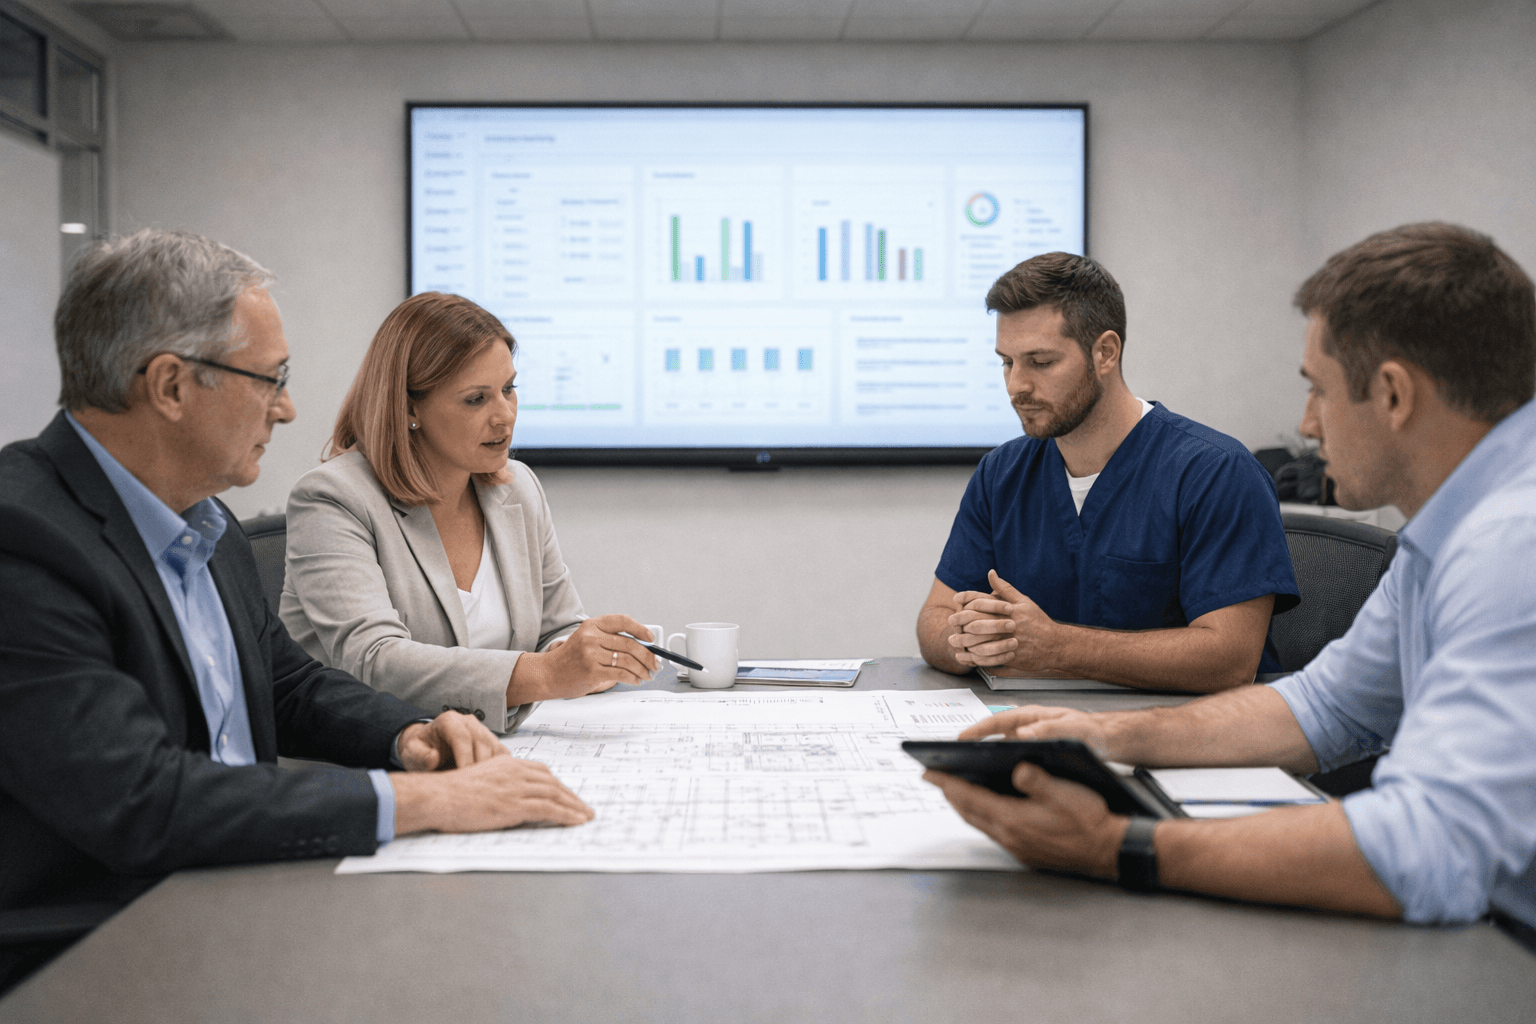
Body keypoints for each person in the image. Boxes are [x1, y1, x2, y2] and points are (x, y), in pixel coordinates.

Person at [0, 230, 595, 988]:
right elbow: (141, 799)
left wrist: (408, 735)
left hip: (240, 885)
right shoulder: (24, 541)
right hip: (99, 946)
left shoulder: (203, 521)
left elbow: (289, 686)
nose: (286, 409)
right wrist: (419, 799)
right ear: (171, 387)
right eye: (268, 379)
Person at [926, 223, 1536, 942]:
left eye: (1318, 390)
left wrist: (1113, 845)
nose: (1307, 425)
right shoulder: (1444, 538)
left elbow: (1431, 848)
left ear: (1394, 395)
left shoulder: (1511, 548)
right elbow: (1323, 708)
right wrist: (1100, 736)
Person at [917, 252, 1299, 692]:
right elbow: (934, 618)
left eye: (1040, 362)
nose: (1016, 385)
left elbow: (1230, 659)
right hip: (1043, 723)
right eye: (1007, 362)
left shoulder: (1216, 473)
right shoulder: (1001, 474)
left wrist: (1057, 647)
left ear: (1105, 353)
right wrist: (968, 641)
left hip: (1184, 727)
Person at [279, 292, 657, 733]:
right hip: (372, 761)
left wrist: (584, 656)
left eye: (509, 389)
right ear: (409, 408)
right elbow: (374, 661)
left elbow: (557, 628)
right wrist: (549, 674)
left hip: (496, 750)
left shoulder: (517, 487)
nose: (504, 416)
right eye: (476, 399)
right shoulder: (332, 499)